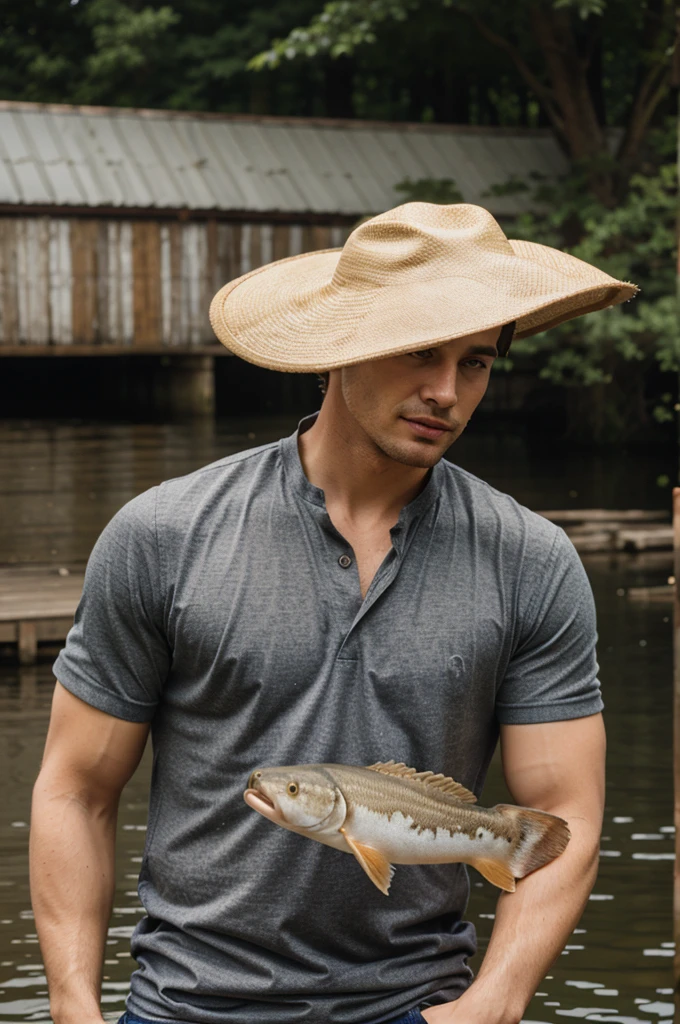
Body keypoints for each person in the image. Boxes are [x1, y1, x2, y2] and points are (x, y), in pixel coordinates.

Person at [30, 202, 637, 1024]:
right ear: (340, 346)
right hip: (186, 1008)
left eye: (476, 363)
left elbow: (562, 814)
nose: (446, 393)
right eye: (421, 351)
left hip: (420, 1009)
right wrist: (73, 1008)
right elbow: (76, 789)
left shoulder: (530, 560)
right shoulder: (163, 535)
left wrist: (492, 1004)